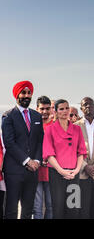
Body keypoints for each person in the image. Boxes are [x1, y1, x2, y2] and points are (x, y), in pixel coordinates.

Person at [1, 81, 44, 219]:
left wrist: (36, 160)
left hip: (33, 171)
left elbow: (39, 140)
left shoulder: (37, 116)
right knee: (11, 210)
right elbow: (9, 143)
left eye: (29, 93)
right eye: (23, 93)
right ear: (17, 95)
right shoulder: (8, 116)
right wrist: (27, 161)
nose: (26, 95)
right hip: (14, 171)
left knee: (28, 209)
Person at [43, 99, 87, 219]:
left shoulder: (77, 129)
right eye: (61, 109)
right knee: (58, 209)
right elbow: (48, 154)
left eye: (67, 108)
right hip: (57, 174)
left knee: (74, 208)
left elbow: (81, 152)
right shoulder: (50, 130)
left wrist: (76, 170)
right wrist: (61, 171)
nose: (65, 111)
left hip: (74, 175)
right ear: (56, 111)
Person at [33, 96, 54, 219]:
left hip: (51, 172)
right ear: (37, 109)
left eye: (47, 109)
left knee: (51, 206)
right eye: (42, 109)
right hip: (36, 172)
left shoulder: (55, 126)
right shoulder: (32, 126)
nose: (45, 112)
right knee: (37, 208)